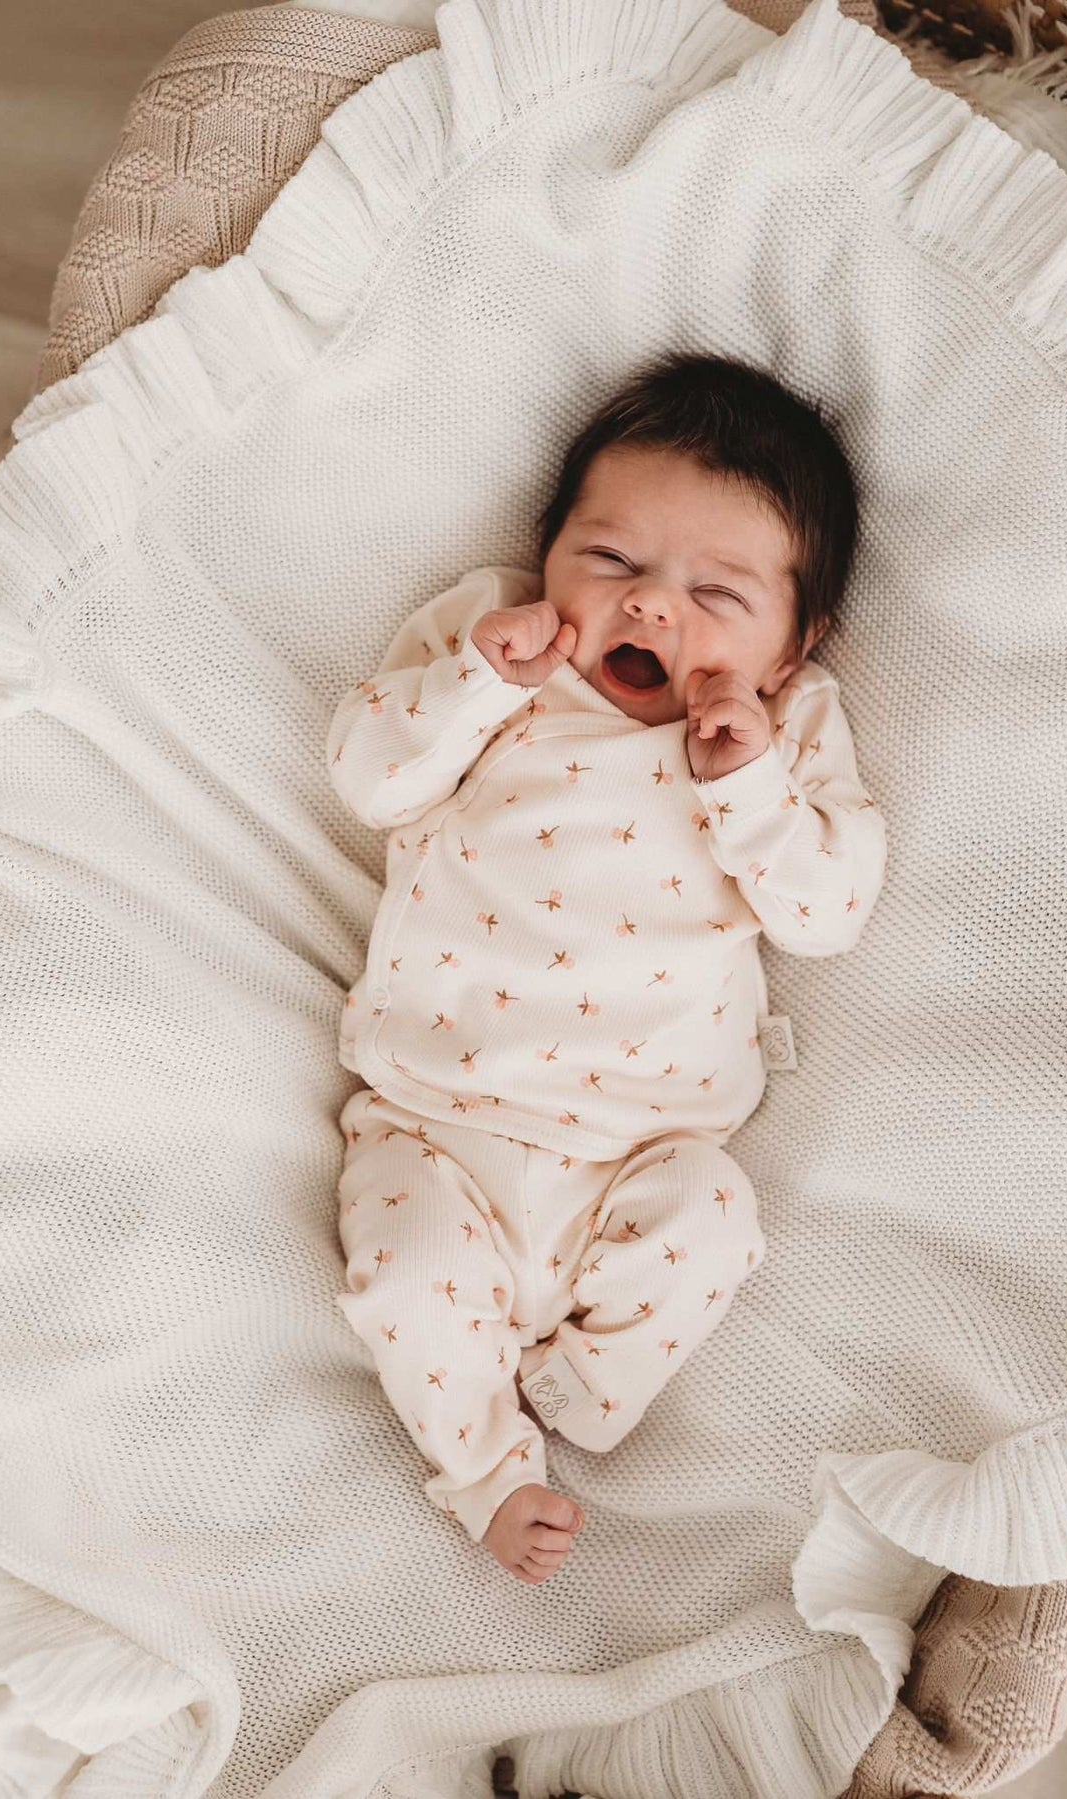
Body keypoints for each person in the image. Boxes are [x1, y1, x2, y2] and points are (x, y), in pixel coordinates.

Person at [327, 352, 888, 1583]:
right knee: (407, 1274)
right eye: (612, 562)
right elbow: (371, 774)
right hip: (439, 1118)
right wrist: (480, 675)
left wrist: (746, 784)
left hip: (643, 1153)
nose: (649, 610)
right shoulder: (496, 652)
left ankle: (580, 1389)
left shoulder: (785, 736)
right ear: (548, 549)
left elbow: (830, 908)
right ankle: (482, 1466)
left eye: (717, 594)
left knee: (716, 1221)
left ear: (797, 646)